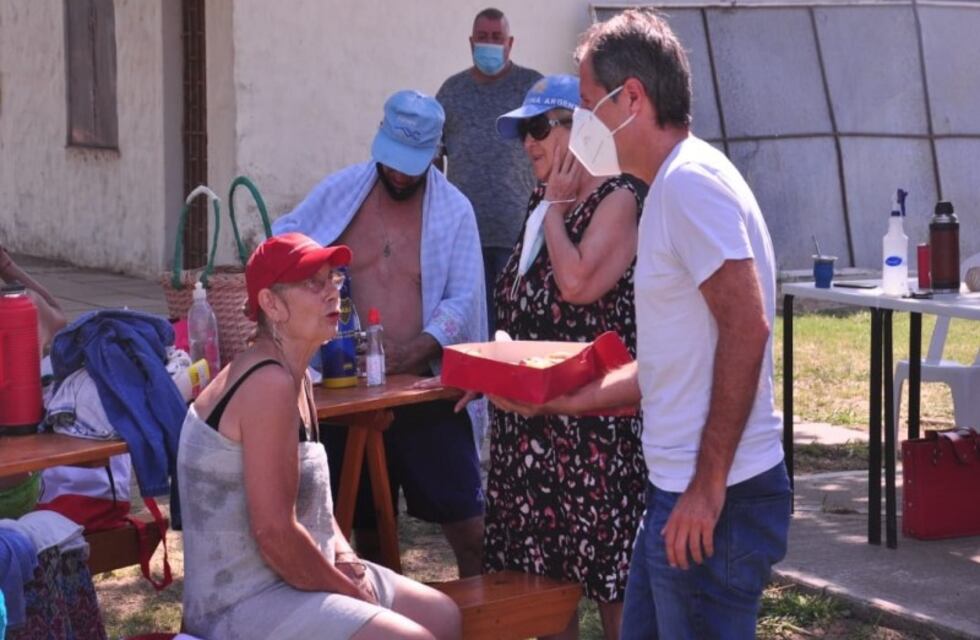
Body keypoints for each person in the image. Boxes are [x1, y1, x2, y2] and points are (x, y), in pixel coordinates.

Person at [491, 9, 792, 639]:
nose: (582, 124)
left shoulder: (688, 186)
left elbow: (748, 328)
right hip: (677, 493)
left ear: (632, 99)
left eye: (587, 103)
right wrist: (556, 401)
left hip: (714, 500)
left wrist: (707, 490)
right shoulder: (664, 188)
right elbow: (663, 365)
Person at [177, 233, 461, 640]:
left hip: (294, 579)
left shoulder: (298, 378)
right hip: (239, 604)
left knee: (443, 616)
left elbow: (317, 510)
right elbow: (275, 534)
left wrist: (347, 558)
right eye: (314, 283)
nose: (333, 293)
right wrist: (348, 591)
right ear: (271, 305)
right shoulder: (267, 383)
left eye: (334, 279)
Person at [272, 90, 487, 578]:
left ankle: (482, 625)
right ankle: (385, 622)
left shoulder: (454, 212)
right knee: (365, 533)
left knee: (471, 532)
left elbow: (463, 298)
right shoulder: (341, 193)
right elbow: (285, 242)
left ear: (434, 155)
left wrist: (416, 350)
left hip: (424, 389)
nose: (399, 174)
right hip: (350, 390)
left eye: (412, 166)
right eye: (392, 162)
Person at [482, 74, 647, 640]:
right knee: (544, 598)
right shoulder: (541, 200)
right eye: (522, 132)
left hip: (591, 435)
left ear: (582, 129)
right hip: (529, 434)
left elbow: (577, 283)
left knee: (612, 590)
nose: (528, 144)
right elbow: (518, 308)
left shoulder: (618, 197)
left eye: (538, 128)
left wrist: (554, 210)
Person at [436, 7, 542, 329]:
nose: (489, 43)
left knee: (518, 326)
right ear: (471, 41)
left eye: (497, 37)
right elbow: (433, 157)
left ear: (510, 43)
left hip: (520, 234)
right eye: (482, 37)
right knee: (473, 326)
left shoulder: (532, 87)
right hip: (466, 235)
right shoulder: (452, 92)